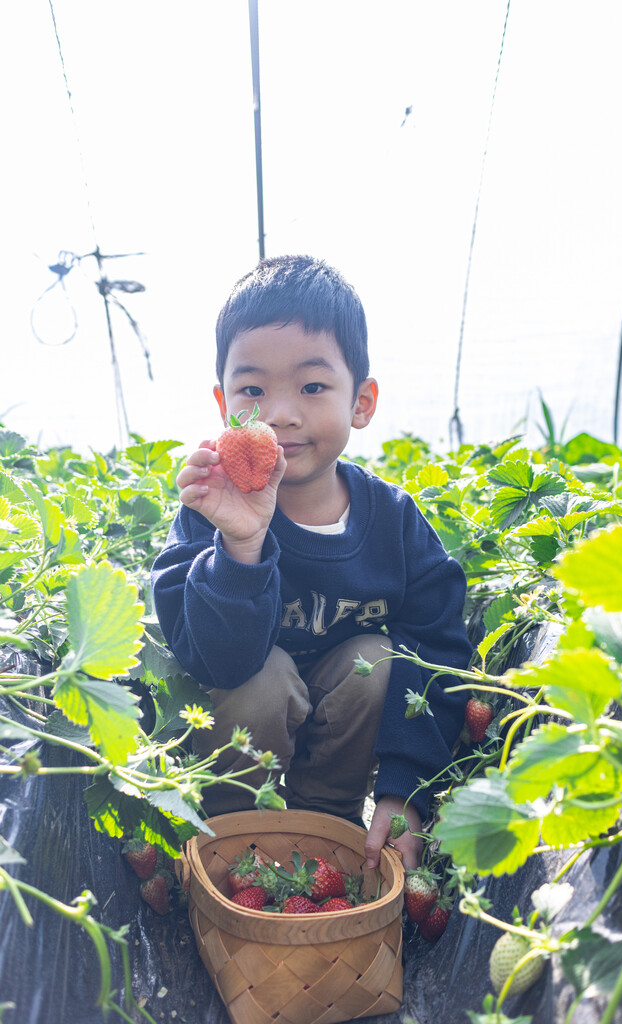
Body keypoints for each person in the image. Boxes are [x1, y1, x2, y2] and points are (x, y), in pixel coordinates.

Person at [151, 254, 472, 870]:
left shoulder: (393, 523)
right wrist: (241, 547)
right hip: (238, 769)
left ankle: (328, 830)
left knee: (375, 662)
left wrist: (404, 788)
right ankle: (230, 843)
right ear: (224, 403)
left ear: (362, 401)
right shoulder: (209, 514)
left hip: (340, 758)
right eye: (253, 389)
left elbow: (438, 648)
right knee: (259, 677)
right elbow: (213, 660)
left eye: (312, 386)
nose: (280, 413)